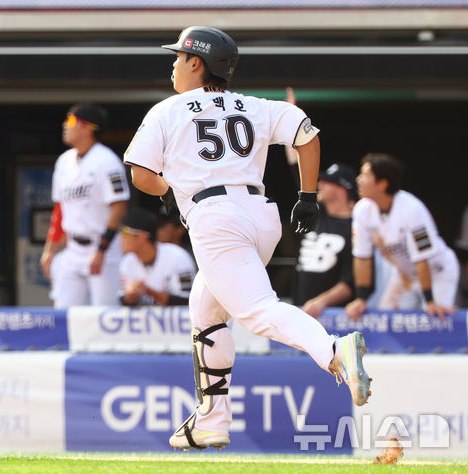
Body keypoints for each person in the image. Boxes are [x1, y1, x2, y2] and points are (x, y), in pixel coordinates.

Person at [123, 26, 371, 450]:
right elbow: (307, 135)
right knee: (205, 309)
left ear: (196, 63)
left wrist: (168, 194)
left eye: (179, 57)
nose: (174, 64)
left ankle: (333, 350)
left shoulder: (168, 110)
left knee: (257, 311)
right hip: (260, 215)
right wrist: (307, 195)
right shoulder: (255, 105)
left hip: (215, 218)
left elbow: (141, 175)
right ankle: (211, 421)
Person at [345, 153, 459, 321]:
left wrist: (430, 301)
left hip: (436, 272)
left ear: (382, 183)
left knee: (436, 319)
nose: (359, 179)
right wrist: (360, 298)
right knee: (387, 321)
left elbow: (422, 259)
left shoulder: (412, 209)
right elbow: (362, 257)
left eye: (365, 175)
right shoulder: (362, 210)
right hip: (404, 274)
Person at [40, 104, 129, 308]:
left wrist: (101, 250)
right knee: (64, 312)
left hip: (102, 247)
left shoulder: (107, 161)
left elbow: (119, 208)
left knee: (104, 315)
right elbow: (60, 209)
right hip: (72, 249)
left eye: (71, 121)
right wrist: (50, 250)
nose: (65, 125)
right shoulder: (64, 162)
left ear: (88, 127)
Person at [292, 163, 358, 317]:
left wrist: (322, 301)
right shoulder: (314, 215)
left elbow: (352, 281)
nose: (319, 184)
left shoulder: (356, 227)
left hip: (334, 316)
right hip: (301, 312)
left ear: (342, 188)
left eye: (327, 181)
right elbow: (298, 170)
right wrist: (294, 139)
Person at [119, 207, 196, 306]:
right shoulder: (127, 261)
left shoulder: (178, 257)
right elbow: (122, 302)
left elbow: (187, 301)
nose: (120, 237)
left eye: (125, 232)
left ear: (143, 236)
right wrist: (130, 296)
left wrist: (149, 291)